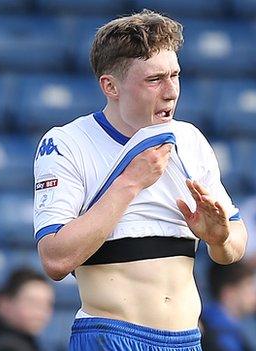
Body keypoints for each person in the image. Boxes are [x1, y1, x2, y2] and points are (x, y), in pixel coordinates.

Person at [33, 9, 248, 351]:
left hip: (186, 340)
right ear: (110, 86)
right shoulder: (67, 142)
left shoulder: (189, 140)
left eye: (175, 75)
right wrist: (131, 182)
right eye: (154, 79)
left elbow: (234, 246)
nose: (171, 91)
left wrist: (219, 238)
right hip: (111, 337)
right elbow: (55, 259)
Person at [0, 267, 54, 351]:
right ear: (4, 303)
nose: (40, 313)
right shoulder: (2, 345)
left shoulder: (24, 341)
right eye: (31, 302)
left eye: (47, 304)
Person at [200, 261, 256, 351]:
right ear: (229, 293)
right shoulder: (213, 331)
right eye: (248, 286)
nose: (253, 294)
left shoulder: (234, 329)